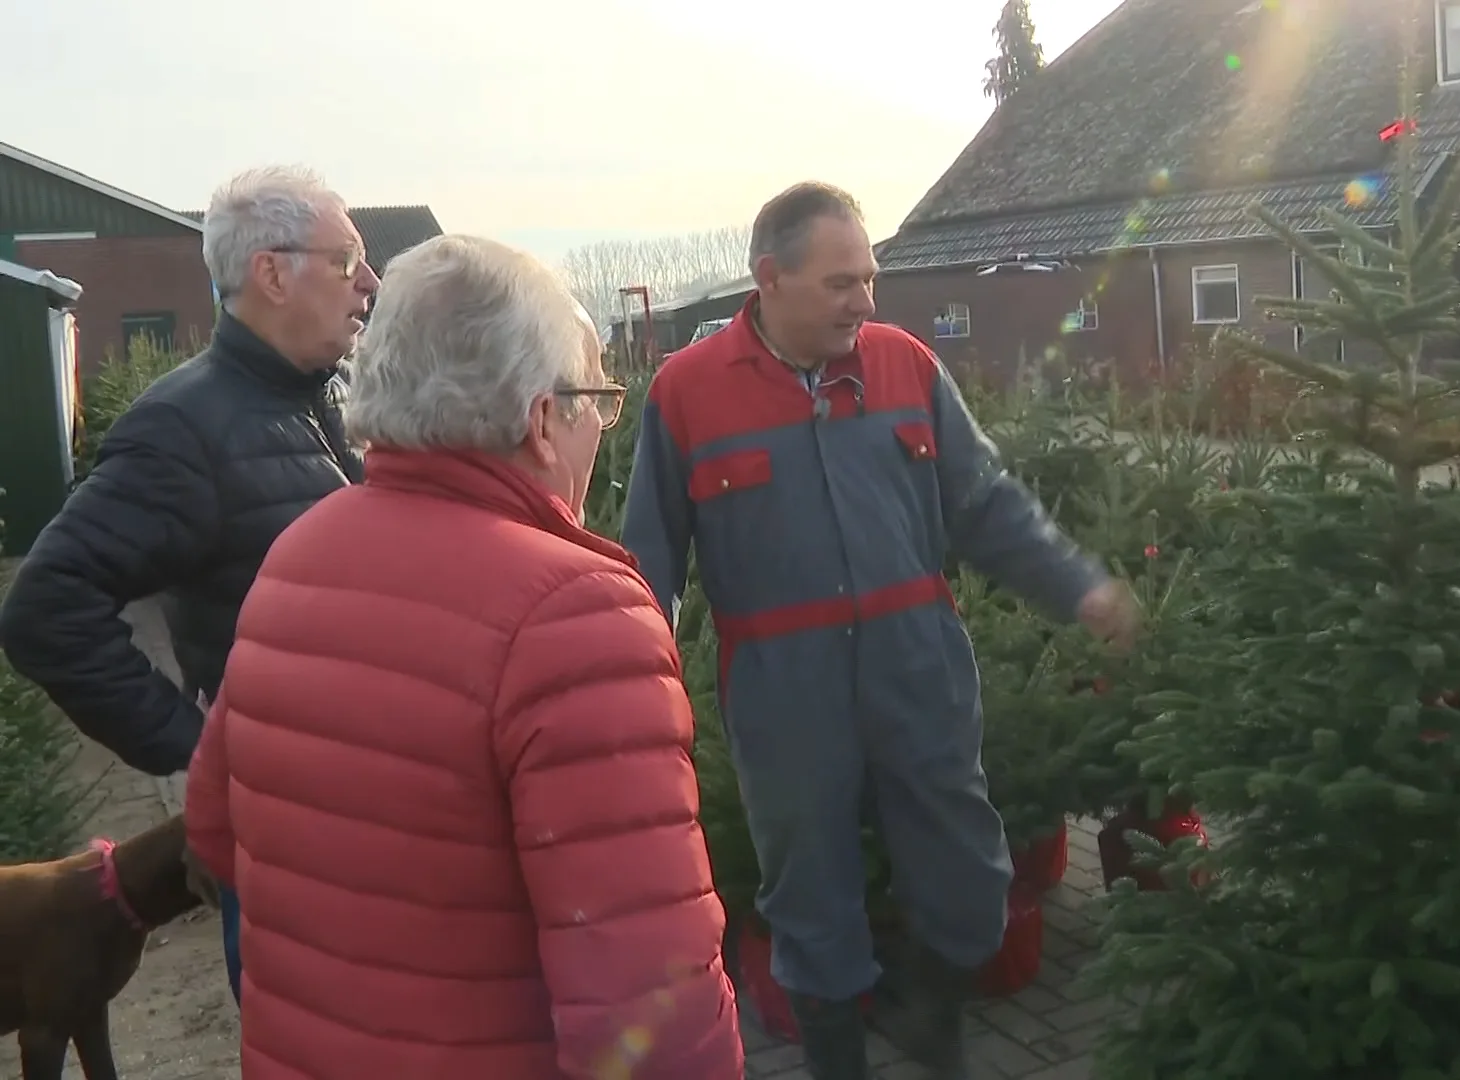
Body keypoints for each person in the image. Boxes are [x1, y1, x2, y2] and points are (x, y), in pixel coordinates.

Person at [183, 234, 743, 1079]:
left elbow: (218, 832)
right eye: (597, 398)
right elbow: (651, 1007)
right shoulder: (577, 615)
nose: (601, 424)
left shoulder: (297, 553)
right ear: (543, 420)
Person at [622, 181, 1139, 1080]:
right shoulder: (687, 394)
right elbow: (649, 561)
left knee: (972, 880)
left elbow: (986, 506)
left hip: (919, 670)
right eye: (840, 284)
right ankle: (837, 1063)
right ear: (768, 279)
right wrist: (635, 685)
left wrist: (1078, 587)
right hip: (785, 694)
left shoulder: (906, 367)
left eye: (870, 278)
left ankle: (929, 1016)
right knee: (810, 903)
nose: (866, 301)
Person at [0, 165, 377, 1003]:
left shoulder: (331, 401)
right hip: (284, 830)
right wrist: (200, 754)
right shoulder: (184, 425)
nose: (369, 284)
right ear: (272, 273)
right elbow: (46, 611)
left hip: (364, 811)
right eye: (347, 260)